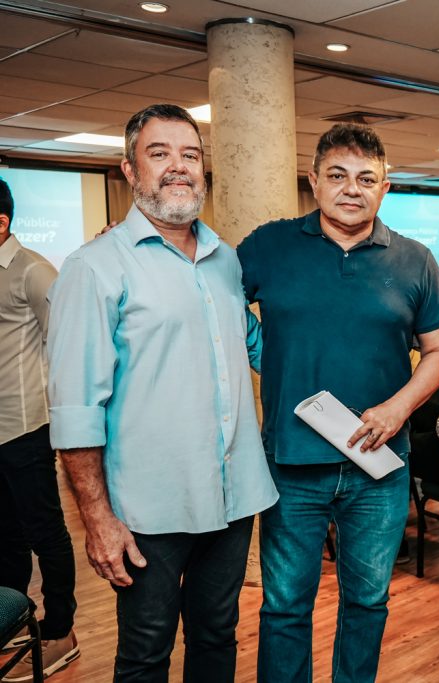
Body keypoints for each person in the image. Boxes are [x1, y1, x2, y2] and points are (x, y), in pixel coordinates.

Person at [46, 103, 278, 682]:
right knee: (147, 653)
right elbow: (76, 408)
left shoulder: (227, 263)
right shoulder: (94, 267)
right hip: (148, 507)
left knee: (216, 637)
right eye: (160, 154)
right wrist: (97, 519)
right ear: (129, 170)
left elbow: (263, 349)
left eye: (190, 155)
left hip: (232, 496)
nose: (178, 167)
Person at [238, 122, 439, 683]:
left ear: (385, 187)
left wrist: (398, 409)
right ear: (314, 180)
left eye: (366, 178)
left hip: (377, 471)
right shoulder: (269, 245)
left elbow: (438, 351)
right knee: (285, 608)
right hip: (291, 467)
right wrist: (270, 357)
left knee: (368, 604)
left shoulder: (414, 260)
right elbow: (212, 306)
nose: (351, 189)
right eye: (337, 175)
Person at [0, 178, 78, 682]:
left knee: (45, 532)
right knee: (4, 536)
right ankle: (12, 623)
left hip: (25, 428)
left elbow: (67, 345)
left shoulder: (33, 270)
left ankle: (60, 632)